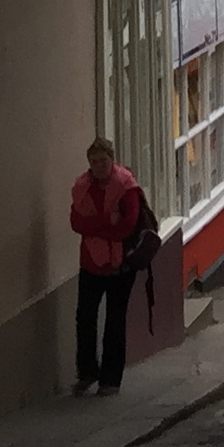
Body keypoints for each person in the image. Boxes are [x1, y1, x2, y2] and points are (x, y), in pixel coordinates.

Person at [69, 138, 146, 396]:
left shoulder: (126, 185)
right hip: (91, 261)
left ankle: (110, 380)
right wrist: (105, 222)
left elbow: (128, 224)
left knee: (115, 319)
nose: (99, 167)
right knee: (85, 318)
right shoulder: (82, 187)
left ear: (112, 160)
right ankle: (88, 372)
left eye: (103, 161)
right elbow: (76, 223)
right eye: (94, 162)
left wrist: (97, 227)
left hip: (120, 264)